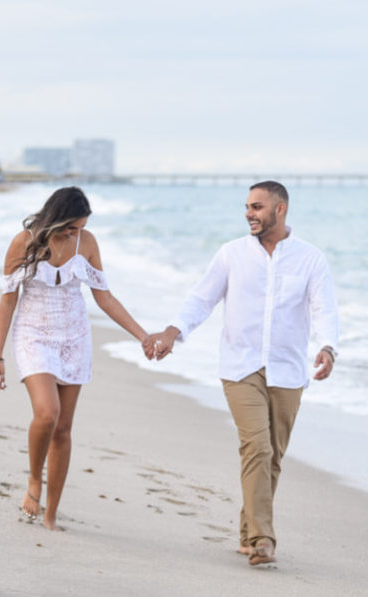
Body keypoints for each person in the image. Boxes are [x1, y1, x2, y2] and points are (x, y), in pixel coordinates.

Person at [145, 181, 339, 565]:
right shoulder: (231, 254)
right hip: (240, 366)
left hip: (287, 370)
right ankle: (264, 539)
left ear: (279, 209)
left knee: (272, 458)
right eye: (247, 206)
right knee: (258, 447)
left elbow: (324, 309)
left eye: (257, 206)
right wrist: (172, 332)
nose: (249, 213)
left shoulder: (310, 259)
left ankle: (247, 534)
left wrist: (328, 346)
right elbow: (202, 298)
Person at [0, 186, 151, 530]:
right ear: (56, 219)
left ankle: (51, 515)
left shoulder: (87, 243)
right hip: (33, 333)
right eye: (71, 228)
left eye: (79, 228)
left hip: (74, 337)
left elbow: (104, 297)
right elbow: (7, 300)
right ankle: (35, 479)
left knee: (63, 429)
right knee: (47, 413)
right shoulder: (24, 242)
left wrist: (142, 336)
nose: (76, 233)